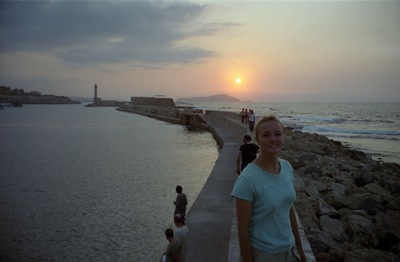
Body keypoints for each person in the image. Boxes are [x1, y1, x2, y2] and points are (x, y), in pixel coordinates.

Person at [231, 115, 307, 262]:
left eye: (278, 134)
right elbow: (242, 230)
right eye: (266, 135)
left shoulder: (286, 167)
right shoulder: (247, 179)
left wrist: (300, 249)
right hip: (264, 254)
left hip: (290, 251)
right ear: (257, 140)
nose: (273, 139)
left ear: (283, 137)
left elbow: (289, 210)